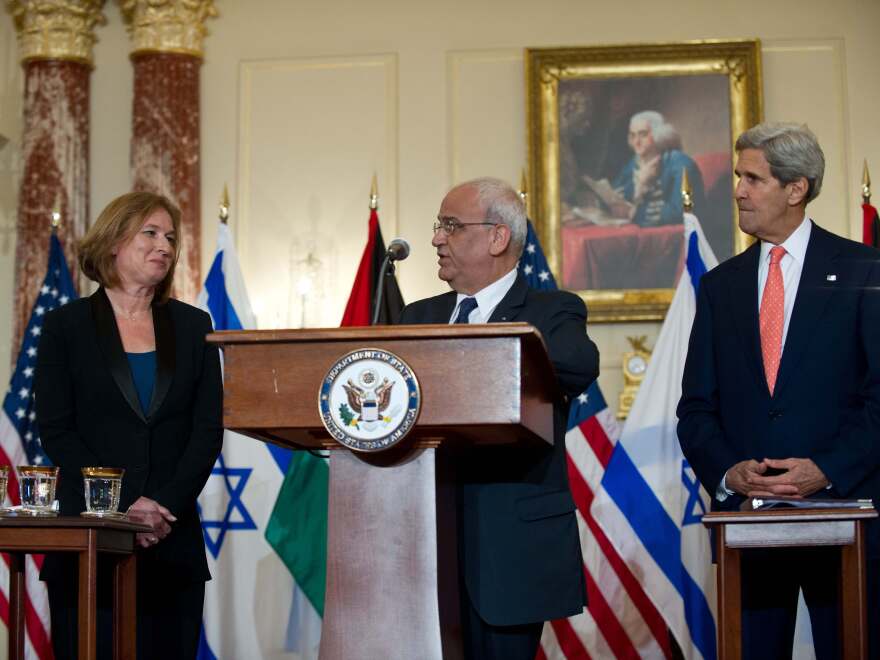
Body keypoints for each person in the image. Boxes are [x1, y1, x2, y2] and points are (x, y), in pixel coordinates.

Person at [677, 122, 880, 658]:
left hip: (845, 522)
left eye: (752, 178)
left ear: (796, 188)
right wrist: (728, 471)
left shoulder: (864, 270)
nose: (738, 190)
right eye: (738, 176)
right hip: (748, 524)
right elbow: (696, 408)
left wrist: (826, 469)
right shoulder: (719, 287)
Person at [398, 177, 599, 659]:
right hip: (420, 549)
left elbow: (578, 364)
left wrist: (478, 353)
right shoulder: (415, 317)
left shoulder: (552, 311)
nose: (435, 239)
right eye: (438, 226)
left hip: (511, 552)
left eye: (450, 226)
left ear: (497, 237)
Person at [35, 191, 223, 660]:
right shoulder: (66, 326)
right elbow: (57, 431)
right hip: (89, 542)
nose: (165, 246)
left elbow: (207, 431)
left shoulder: (194, 325)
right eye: (151, 233)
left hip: (170, 541)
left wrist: (161, 506)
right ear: (115, 241)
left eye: (171, 238)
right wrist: (123, 504)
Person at [609, 110, 706, 227]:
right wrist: (640, 187)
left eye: (643, 134)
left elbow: (680, 211)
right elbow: (615, 195)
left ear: (659, 134)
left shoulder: (680, 163)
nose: (636, 141)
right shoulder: (634, 163)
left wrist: (635, 213)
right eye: (633, 135)